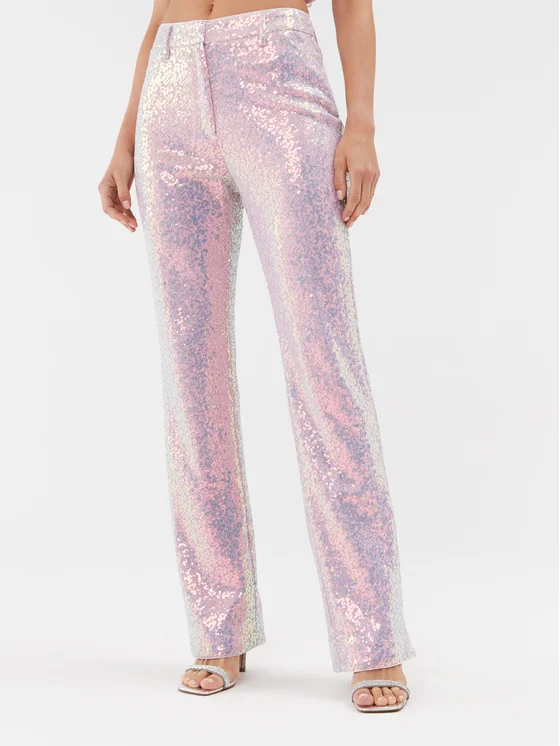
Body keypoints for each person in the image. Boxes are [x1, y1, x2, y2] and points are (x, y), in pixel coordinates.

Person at [99, 0, 415, 712]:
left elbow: (353, 4)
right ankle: (220, 625)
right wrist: (124, 136)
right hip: (168, 91)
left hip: (276, 76)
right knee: (191, 378)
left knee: (324, 364)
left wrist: (361, 124)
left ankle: (372, 635)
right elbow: (161, 11)